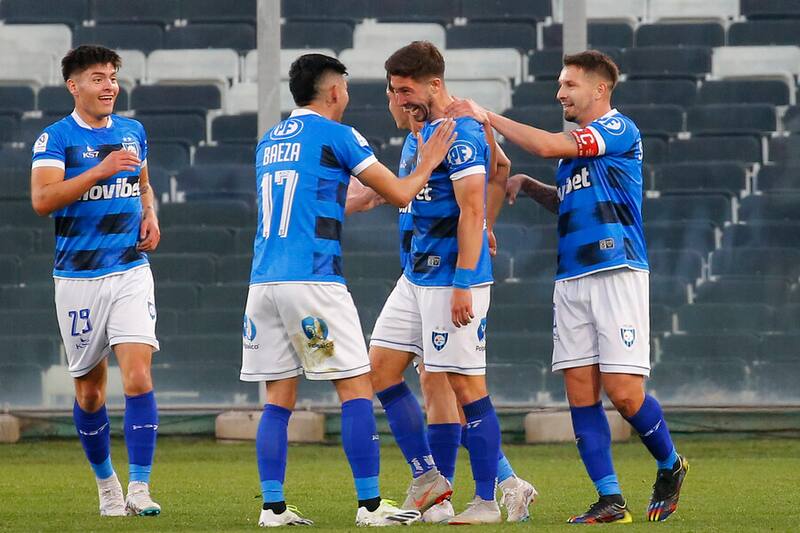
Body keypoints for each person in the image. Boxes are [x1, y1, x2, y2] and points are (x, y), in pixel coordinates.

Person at [447, 49, 689, 524]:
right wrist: (529, 185)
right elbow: (571, 200)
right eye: (559, 85)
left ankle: (669, 463)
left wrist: (486, 114)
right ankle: (610, 499)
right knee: (580, 393)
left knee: (623, 394)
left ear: (600, 89)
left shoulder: (619, 128)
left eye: (569, 84)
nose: (560, 93)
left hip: (616, 271)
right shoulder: (580, 149)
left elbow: (546, 146)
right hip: (571, 278)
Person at [239, 53, 456, 527]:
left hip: (263, 284)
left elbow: (313, 201)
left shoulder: (270, 141)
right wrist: (429, 160)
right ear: (335, 90)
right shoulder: (339, 135)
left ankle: (272, 508)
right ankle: (372, 506)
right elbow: (403, 193)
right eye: (346, 87)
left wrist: (364, 198)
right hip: (313, 282)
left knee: (278, 395)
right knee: (356, 386)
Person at [347, 85, 537, 524]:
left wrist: (483, 224)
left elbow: (500, 167)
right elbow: (391, 194)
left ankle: (485, 493)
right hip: (416, 274)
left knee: (447, 387)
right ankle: (456, 487)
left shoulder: (453, 132)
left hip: (447, 275)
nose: (391, 101)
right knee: (425, 382)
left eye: (395, 93)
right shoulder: (416, 141)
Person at [30, 45, 161, 517]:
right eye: (97, 78)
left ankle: (140, 486)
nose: (109, 86)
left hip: (129, 269)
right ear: (74, 85)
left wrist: (150, 214)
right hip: (79, 278)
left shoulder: (133, 132)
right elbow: (43, 200)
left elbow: (143, 182)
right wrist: (98, 172)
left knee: (140, 377)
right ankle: (107, 484)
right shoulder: (55, 139)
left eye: (112, 78)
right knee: (89, 392)